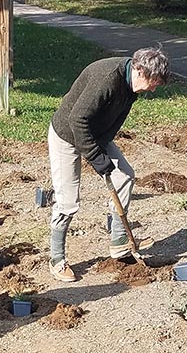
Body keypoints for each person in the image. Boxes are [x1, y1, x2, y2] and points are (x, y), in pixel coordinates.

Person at [47, 47, 170, 282]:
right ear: (140, 71)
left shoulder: (132, 86)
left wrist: (102, 149)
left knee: (125, 176)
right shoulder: (107, 79)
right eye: (154, 82)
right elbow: (77, 120)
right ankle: (57, 259)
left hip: (94, 135)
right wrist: (96, 157)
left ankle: (119, 243)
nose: (154, 88)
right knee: (68, 201)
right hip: (66, 134)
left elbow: (113, 121)